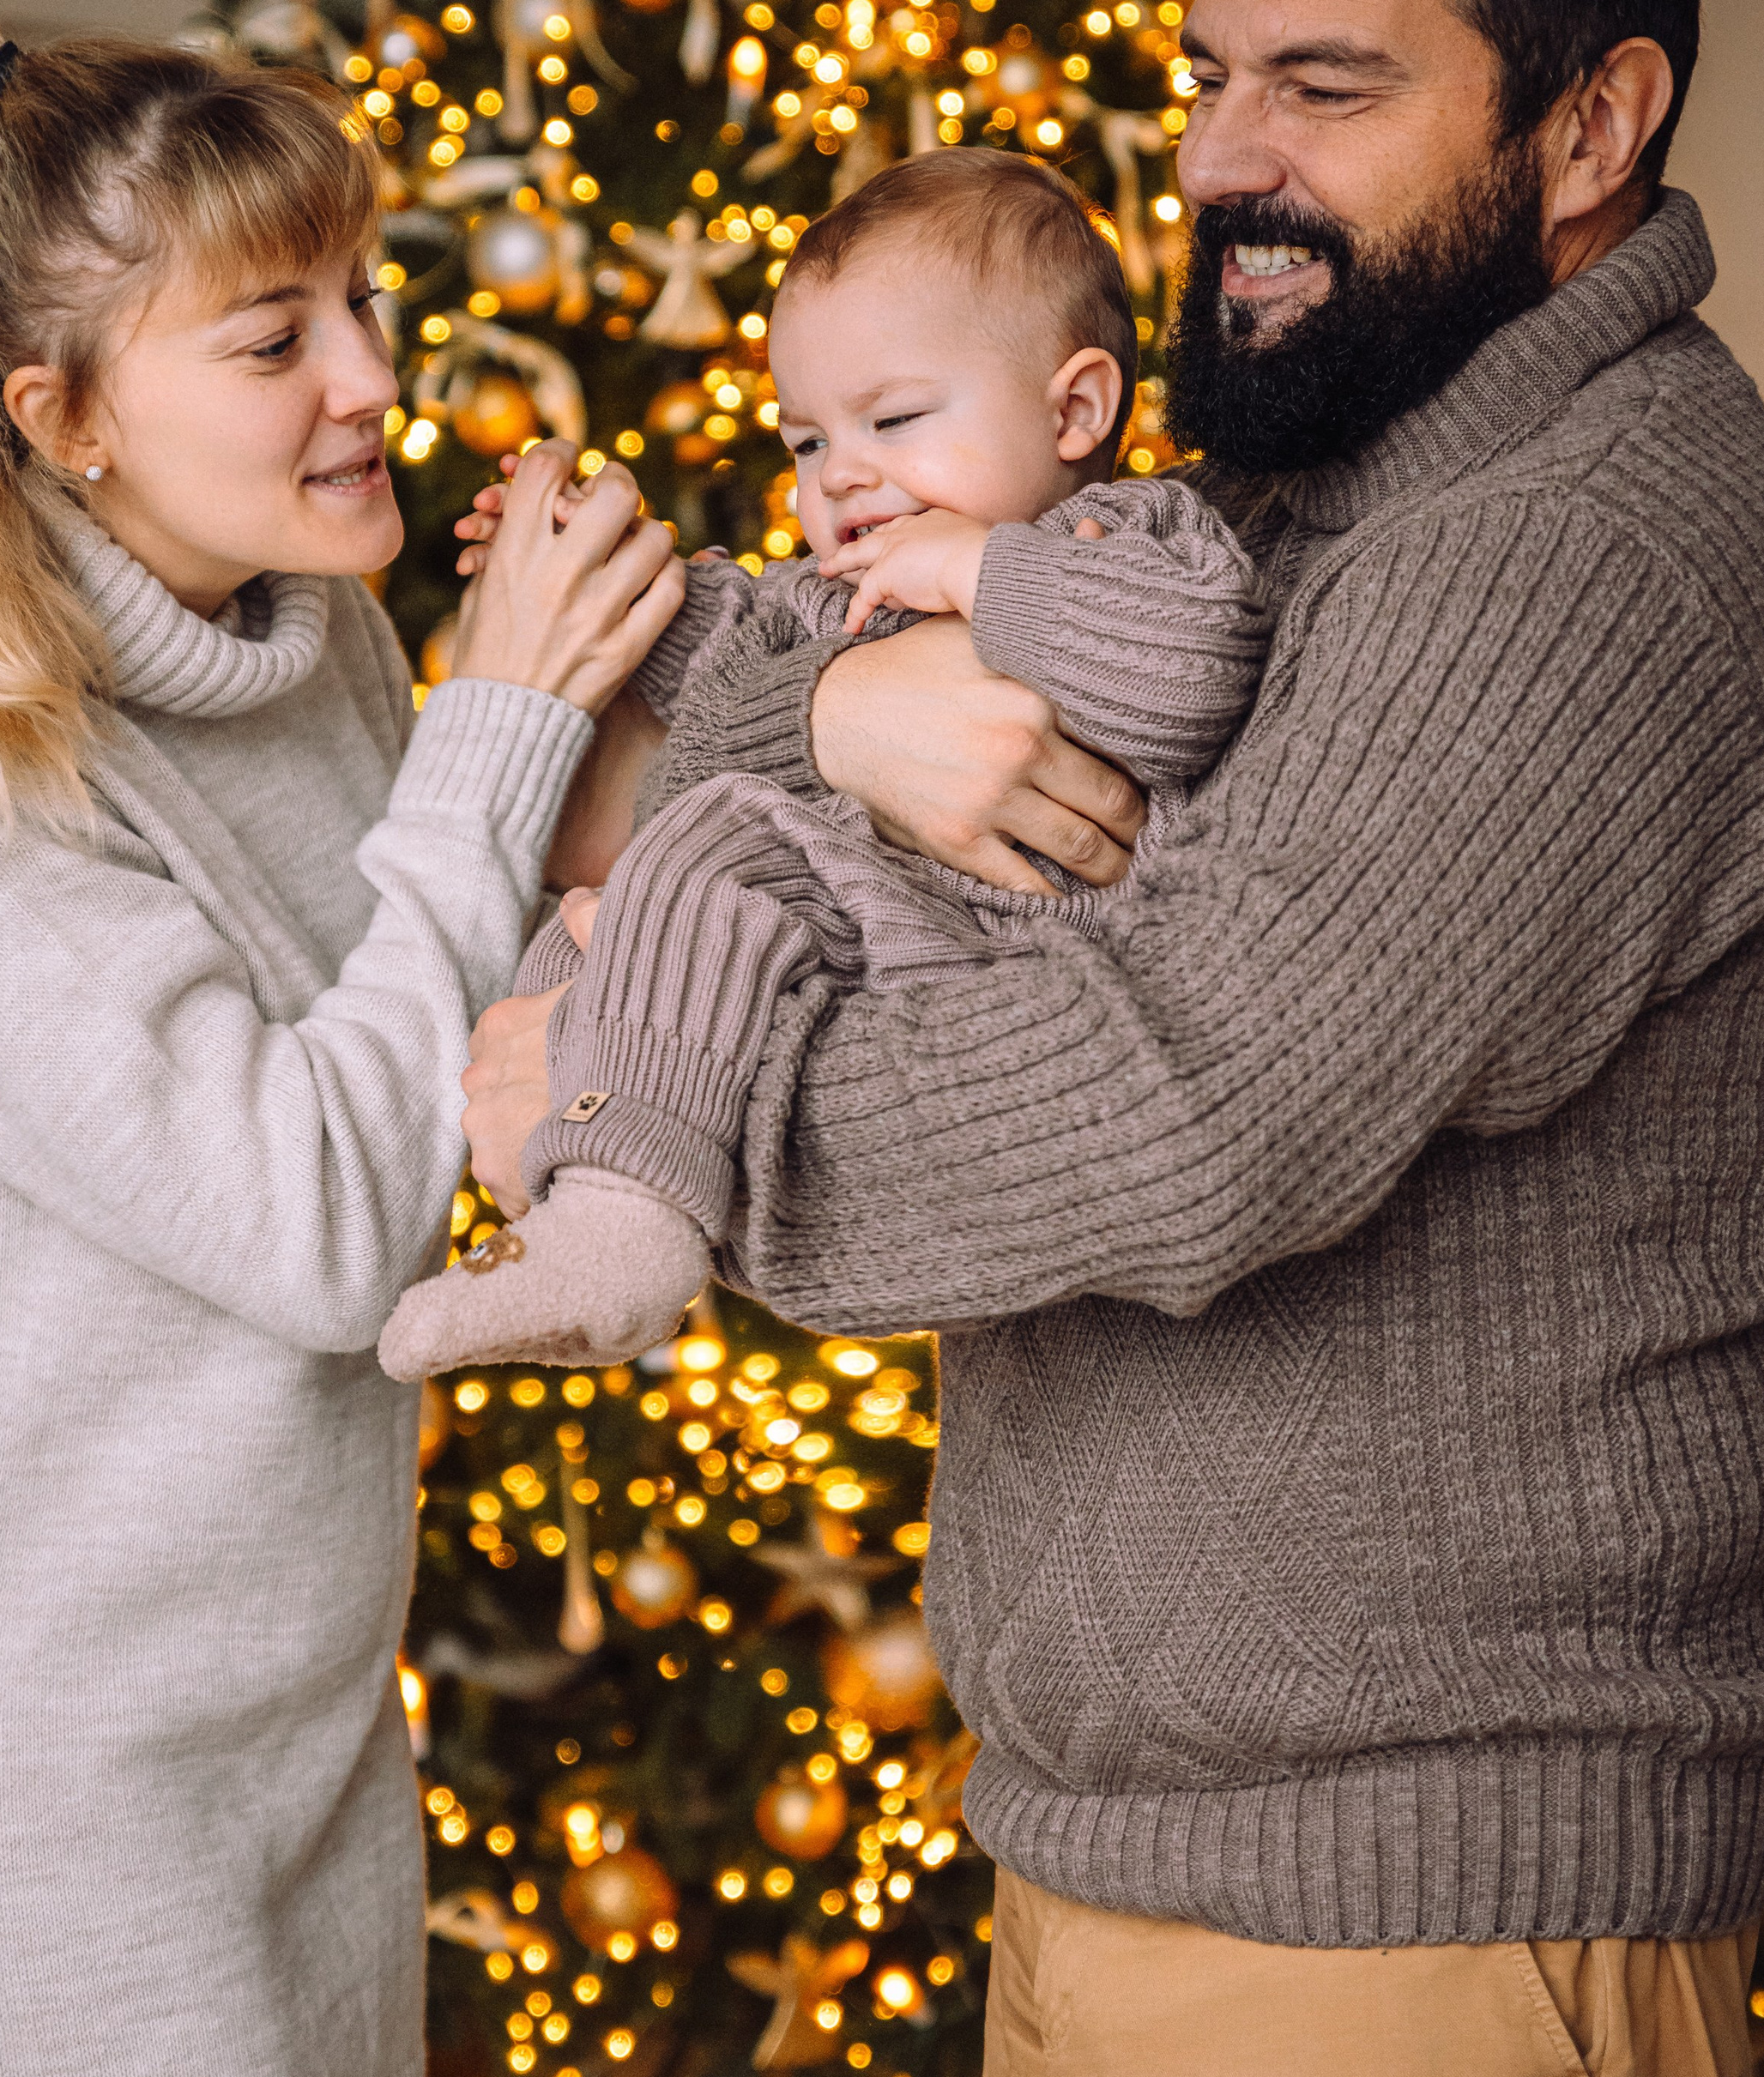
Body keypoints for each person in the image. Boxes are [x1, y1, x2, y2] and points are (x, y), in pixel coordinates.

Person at [456, 0, 1764, 2077]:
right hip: (1113, 1884)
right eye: (1203, 77)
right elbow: (742, 714)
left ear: (1593, 120)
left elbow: (1194, 1102)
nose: (1217, 162)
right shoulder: (1307, 494)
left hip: (1430, 1966)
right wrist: (835, 733)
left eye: (1328, 86)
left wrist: (644, 1134)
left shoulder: (1578, 547)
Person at [0, 25, 684, 2077]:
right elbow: (308, 1221)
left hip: (295, 1727)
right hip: (28, 1798)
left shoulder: (318, 628)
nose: (373, 374)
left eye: (361, 293)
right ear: (51, 410)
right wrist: (495, 746)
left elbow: (467, 999)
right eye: (273, 339)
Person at [378, 150, 1269, 1373]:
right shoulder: (838, 584)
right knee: (579, 930)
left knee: (704, 845)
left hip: (1010, 950)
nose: (839, 473)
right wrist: (609, 567)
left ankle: (628, 1228)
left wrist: (975, 573)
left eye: (894, 420)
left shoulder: (1128, 537)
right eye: (806, 440)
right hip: (843, 944)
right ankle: (581, 1221)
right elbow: (726, 657)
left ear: (1075, 411)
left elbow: (1191, 675)